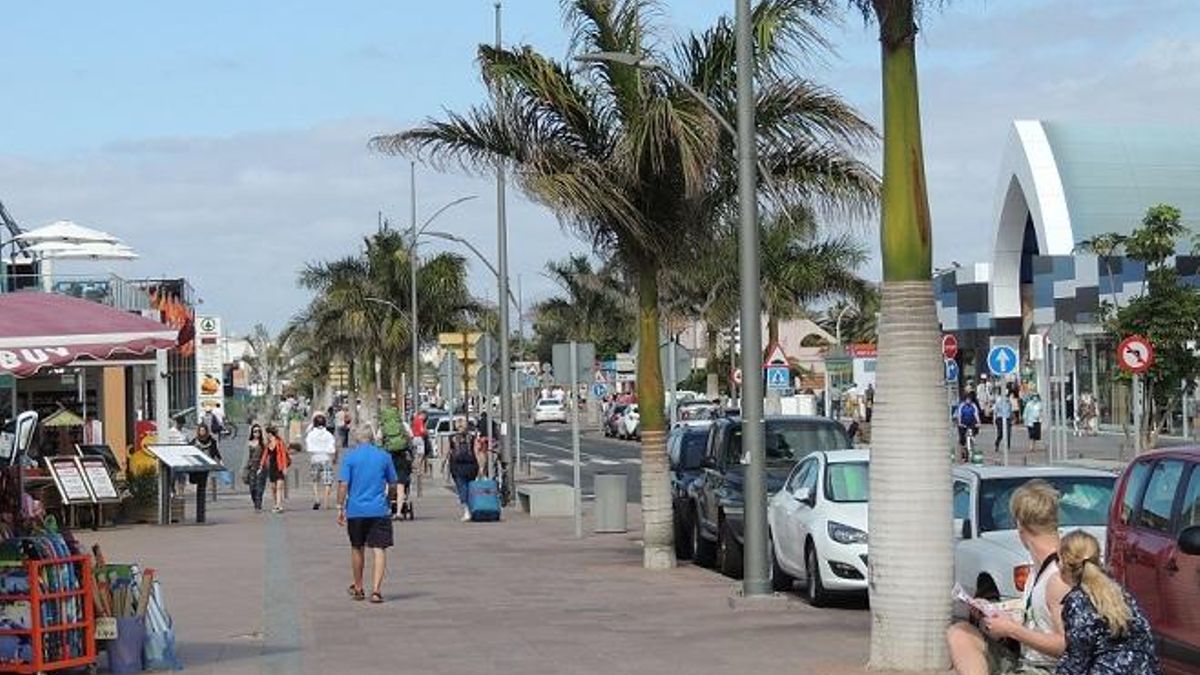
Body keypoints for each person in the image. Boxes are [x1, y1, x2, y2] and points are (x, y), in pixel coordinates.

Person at [947, 479, 1068, 675]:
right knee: (960, 633)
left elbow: (1067, 644)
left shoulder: (1058, 577)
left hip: (1046, 668)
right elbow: (1039, 618)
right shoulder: (1037, 569)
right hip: (1026, 658)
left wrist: (1011, 630)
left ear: (1020, 525)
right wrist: (997, 613)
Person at [1055, 530, 1160, 675]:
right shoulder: (1120, 593)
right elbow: (1147, 640)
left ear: (1065, 565)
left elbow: (1077, 660)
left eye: (1058, 560)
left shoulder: (1077, 602)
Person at [336, 425, 397, 604]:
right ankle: (377, 590)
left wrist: (340, 507)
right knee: (379, 549)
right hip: (379, 509)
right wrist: (389, 500)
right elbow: (393, 483)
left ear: (356, 439)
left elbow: (343, 485)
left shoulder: (351, 457)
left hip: (356, 510)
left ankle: (359, 586)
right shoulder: (384, 456)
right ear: (372, 438)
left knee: (357, 547)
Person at [448, 419, 479, 522]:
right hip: (471, 466)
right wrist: (482, 467)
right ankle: (471, 509)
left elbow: (449, 452)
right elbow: (476, 452)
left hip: (457, 466)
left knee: (462, 488)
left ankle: (467, 510)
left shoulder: (452, 438)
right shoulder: (472, 438)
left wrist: (446, 466)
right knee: (470, 488)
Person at [306, 414, 337, 510]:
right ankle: (326, 501)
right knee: (328, 481)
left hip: (315, 457)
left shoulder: (311, 434)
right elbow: (333, 448)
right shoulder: (328, 434)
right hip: (326, 457)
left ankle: (317, 499)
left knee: (315, 480)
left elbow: (308, 445)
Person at [260, 426, 291, 513]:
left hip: (279, 466)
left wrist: (284, 467)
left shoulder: (279, 443)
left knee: (279, 487)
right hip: (271, 467)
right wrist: (261, 466)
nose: (266, 435)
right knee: (273, 487)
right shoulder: (268, 444)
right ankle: (276, 503)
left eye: (267, 434)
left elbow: (283, 455)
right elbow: (265, 455)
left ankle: (279, 505)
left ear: (270, 434)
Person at [189, 424, 222, 499]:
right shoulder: (195, 441)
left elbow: (215, 451)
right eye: (200, 430)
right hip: (197, 464)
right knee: (198, 480)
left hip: (207, 463)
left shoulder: (211, 441)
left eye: (203, 430)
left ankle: (202, 496)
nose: (202, 432)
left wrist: (220, 459)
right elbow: (189, 450)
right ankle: (200, 496)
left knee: (203, 480)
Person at [243, 424, 267, 512]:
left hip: (261, 467)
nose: (256, 433)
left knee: (259, 487)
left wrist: (263, 466)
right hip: (251, 468)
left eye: (258, 431)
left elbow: (265, 456)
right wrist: (244, 468)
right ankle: (255, 502)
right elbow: (246, 457)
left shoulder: (263, 444)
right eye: (255, 431)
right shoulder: (249, 443)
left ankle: (258, 505)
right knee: (252, 488)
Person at [956, 394, 981, 459]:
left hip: (971, 422)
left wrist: (978, 422)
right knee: (962, 438)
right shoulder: (962, 405)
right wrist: (959, 423)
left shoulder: (973, 405)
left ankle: (971, 444)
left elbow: (976, 414)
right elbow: (959, 415)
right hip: (963, 422)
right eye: (967, 400)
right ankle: (962, 450)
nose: (968, 401)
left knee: (972, 433)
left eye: (969, 400)